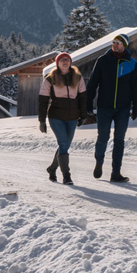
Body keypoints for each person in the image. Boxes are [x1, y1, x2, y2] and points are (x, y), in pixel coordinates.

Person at [86, 32, 137, 183]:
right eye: (114, 42)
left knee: (119, 140)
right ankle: (99, 162)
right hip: (104, 107)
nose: (115, 44)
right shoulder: (103, 61)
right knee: (103, 137)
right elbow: (92, 84)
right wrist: (88, 103)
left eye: (118, 42)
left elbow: (136, 87)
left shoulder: (131, 63)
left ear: (124, 45)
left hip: (123, 109)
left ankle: (115, 173)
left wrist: (136, 107)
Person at [38, 51, 87, 185]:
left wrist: (83, 115)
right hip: (56, 116)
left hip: (72, 117)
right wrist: (42, 121)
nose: (65, 62)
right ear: (57, 63)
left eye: (67, 59)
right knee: (64, 144)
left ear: (70, 62)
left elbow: (83, 98)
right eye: (62, 60)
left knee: (64, 145)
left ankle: (52, 168)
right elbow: (42, 101)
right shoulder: (50, 78)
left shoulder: (78, 77)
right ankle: (67, 175)